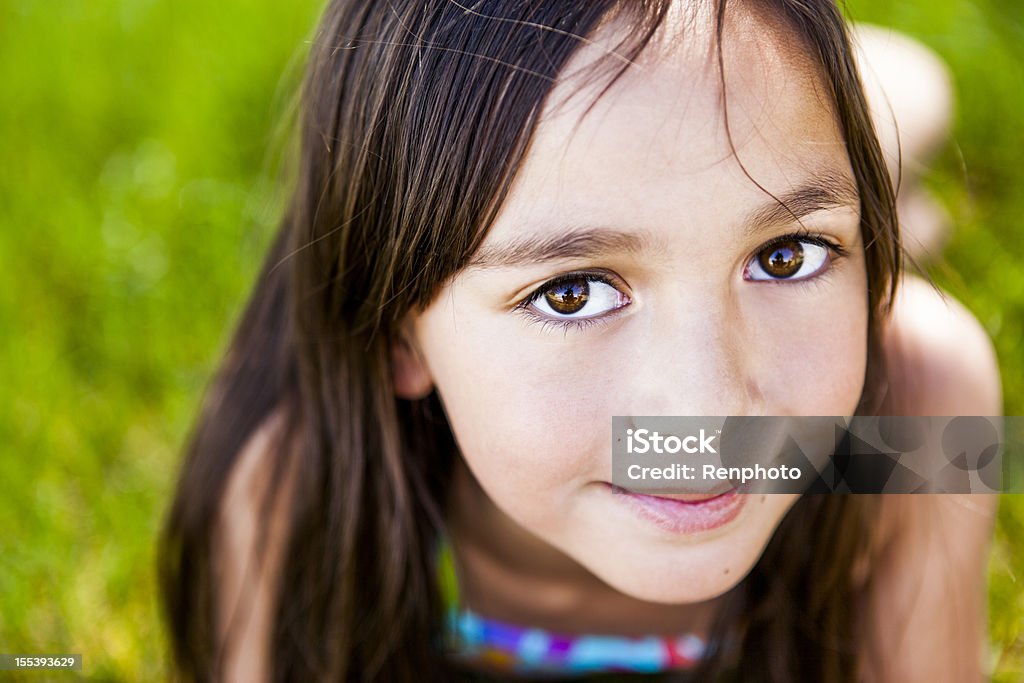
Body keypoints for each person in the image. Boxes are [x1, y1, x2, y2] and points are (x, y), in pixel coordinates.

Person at [157, 1, 1002, 681]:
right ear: (397, 333)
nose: (704, 407)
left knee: (902, 100)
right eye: (572, 292)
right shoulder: (288, 488)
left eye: (787, 255)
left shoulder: (921, 400)